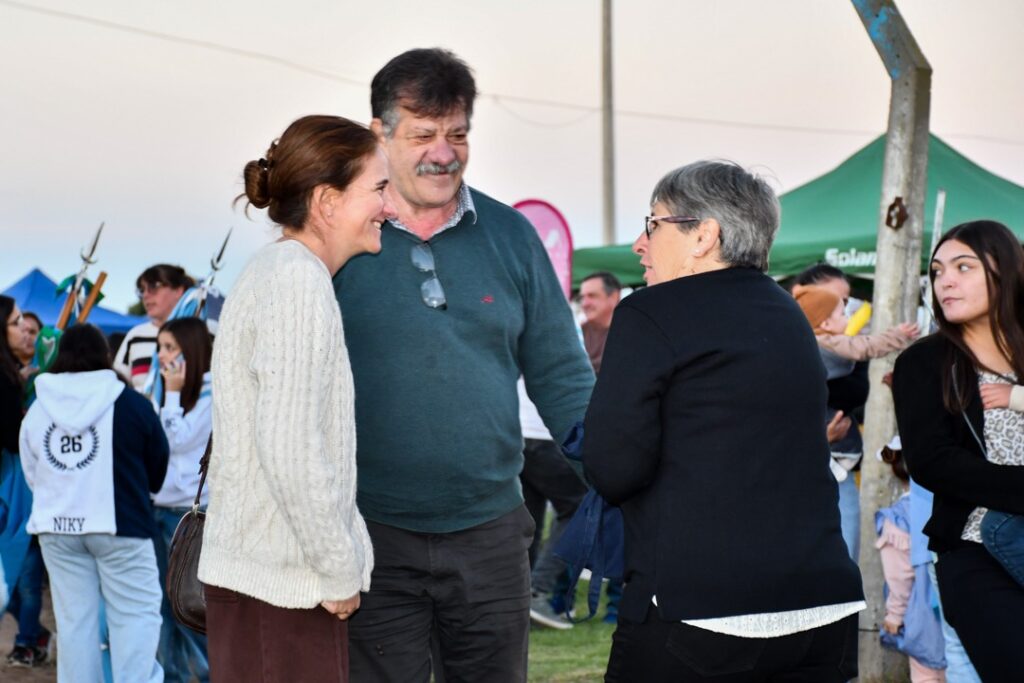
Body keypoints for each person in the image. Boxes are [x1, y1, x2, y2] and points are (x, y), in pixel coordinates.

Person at [333, 48, 593, 682]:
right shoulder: (337, 238)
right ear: (379, 133)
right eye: (423, 134)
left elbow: (563, 377)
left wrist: (614, 472)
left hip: (490, 533)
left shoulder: (512, 236)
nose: (443, 153)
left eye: (457, 134)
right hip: (367, 533)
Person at [583, 161, 864, 682]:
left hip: (699, 608)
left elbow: (613, 466)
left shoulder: (651, 311)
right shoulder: (787, 312)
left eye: (653, 224)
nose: (640, 244)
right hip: (820, 604)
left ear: (704, 236)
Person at [198, 114, 387, 683]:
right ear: (327, 202)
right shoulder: (296, 280)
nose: (389, 207)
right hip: (281, 590)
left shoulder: (281, 273)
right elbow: (289, 447)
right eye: (378, 188)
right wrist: (337, 569)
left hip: (272, 583)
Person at [892, 220, 1024, 681]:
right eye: (937, 271)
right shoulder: (924, 361)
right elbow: (932, 461)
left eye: (963, 267)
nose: (945, 280)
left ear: (1005, 271)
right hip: (974, 548)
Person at [18, 323, 168, 683]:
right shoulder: (132, 403)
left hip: (58, 528)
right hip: (123, 526)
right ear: (106, 356)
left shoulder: (39, 409)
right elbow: (158, 467)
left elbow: (33, 474)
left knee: (75, 624)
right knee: (135, 616)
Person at [151, 317, 212, 683]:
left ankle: (209, 674)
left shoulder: (211, 390)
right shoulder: (164, 387)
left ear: (191, 349)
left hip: (189, 513)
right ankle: (170, 676)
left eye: (170, 347)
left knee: (188, 603)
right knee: (161, 605)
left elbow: (175, 440)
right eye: (160, 347)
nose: (163, 355)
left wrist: (171, 394)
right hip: (159, 507)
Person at [793, 264, 868, 561]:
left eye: (846, 301)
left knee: (846, 553)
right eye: (836, 300)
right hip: (797, 470)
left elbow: (857, 391)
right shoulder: (788, 343)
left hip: (839, 464)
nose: (844, 309)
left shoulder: (847, 346)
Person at [0, 296, 51, 668]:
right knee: (12, 574)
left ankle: (29, 639)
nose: (26, 332)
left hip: (26, 488)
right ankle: (33, 635)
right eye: (17, 323)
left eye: (30, 327)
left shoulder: (36, 377)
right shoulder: (7, 379)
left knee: (27, 573)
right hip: (10, 483)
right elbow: (11, 434)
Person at [875, 438, 947, 682]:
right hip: (961, 603)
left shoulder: (897, 517)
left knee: (928, 675)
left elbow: (899, 577)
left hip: (923, 614)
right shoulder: (950, 503)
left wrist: (894, 617)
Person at [113, 265, 193, 390]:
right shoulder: (135, 335)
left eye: (153, 287)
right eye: (142, 290)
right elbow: (117, 385)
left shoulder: (197, 335)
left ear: (178, 291)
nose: (145, 295)